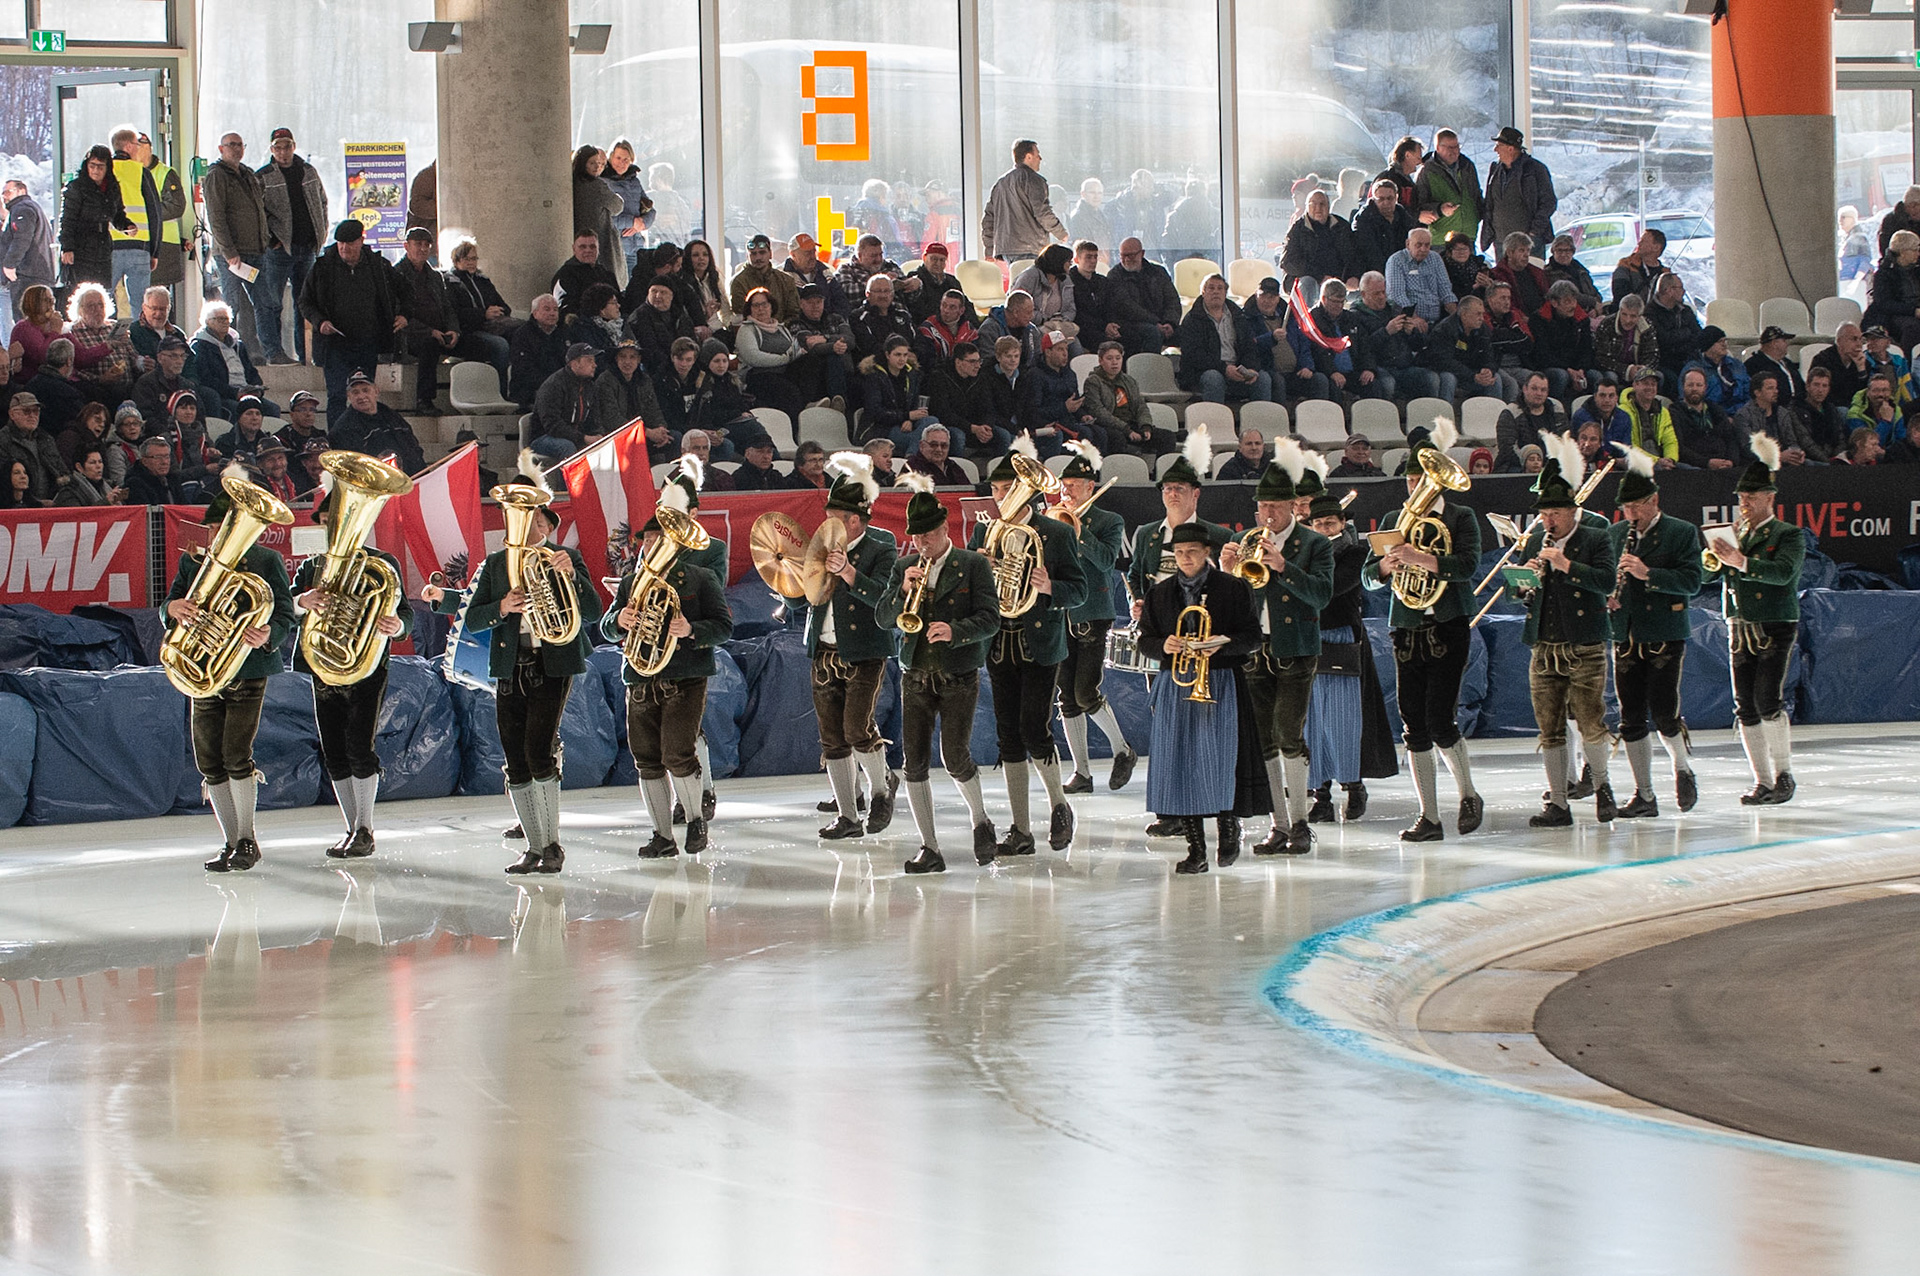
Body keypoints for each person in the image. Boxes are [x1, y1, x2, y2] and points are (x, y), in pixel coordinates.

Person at [460, 464, 604, 872]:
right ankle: (535, 845)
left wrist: (571, 577)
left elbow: (592, 612)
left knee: (539, 751)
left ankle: (551, 844)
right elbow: (472, 620)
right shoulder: (494, 564)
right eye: (524, 519)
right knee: (515, 757)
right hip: (510, 665)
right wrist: (503, 606)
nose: (530, 527)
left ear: (547, 526)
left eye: (537, 520)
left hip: (551, 662)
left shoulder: (565, 558)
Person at [163, 471, 296, 871]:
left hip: (246, 669)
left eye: (224, 525)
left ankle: (247, 839)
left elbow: (287, 613)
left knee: (237, 755)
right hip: (202, 669)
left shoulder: (267, 560)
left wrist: (268, 632)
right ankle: (230, 840)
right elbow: (170, 603)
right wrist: (173, 610)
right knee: (208, 761)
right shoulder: (193, 561)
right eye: (215, 526)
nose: (218, 533)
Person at [876, 474, 1003, 871]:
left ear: (945, 528)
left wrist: (956, 632)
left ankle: (980, 820)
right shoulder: (904, 567)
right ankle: (929, 847)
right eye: (916, 537)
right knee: (912, 763)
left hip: (958, 674)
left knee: (955, 756)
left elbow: (990, 619)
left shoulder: (972, 564)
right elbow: (882, 618)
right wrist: (901, 591)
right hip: (914, 673)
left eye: (928, 535)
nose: (921, 544)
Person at [1364, 421, 1482, 841]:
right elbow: (1367, 577)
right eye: (1412, 480)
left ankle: (1468, 793)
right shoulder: (1395, 519)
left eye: (1422, 480)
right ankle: (1428, 815)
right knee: (1412, 722)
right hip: (1408, 626)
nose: (1417, 487)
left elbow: (1467, 565)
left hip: (1448, 624)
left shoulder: (1461, 517)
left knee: (1440, 718)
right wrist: (1385, 565)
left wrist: (1425, 559)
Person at [968, 439, 1086, 855]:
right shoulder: (985, 531)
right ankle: (1020, 829)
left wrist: (1051, 586)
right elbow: (970, 591)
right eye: (997, 490)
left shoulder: (1054, 531)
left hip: (1039, 642)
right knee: (1008, 737)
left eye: (1005, 490)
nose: (998, 497)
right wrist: (979, 570)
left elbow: (1079, 590)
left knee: (1035, 727)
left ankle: (1059, 805)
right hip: (1000, 642)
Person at [1219, 443, 1334, 854]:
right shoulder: (1244, 540)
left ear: (1292, 507)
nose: (1269, 514)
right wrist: (1226, 573)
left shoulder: (1314, 544)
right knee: (1264, 740)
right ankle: (1279, 824)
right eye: (1263, 507)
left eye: (1276, 506)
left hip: (1296, 648)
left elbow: (1321, 595)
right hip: (1254, 652)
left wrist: (1283, 566)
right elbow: (1228, 603)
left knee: (1289, 734)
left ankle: (1301, 822)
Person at [608, 491, 733, 861]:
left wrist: (691, 628)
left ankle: (695, 819)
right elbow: (606, 626)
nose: (649, 545)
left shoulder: (700, 577)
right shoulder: (631, 582)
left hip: (685, 677)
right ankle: (661, 835)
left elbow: (723, 627)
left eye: (657, 538)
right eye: (646, 540)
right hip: (640, 678)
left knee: (678, 753)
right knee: (646, 759)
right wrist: (618, 621)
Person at [1138, 521, 1268, 874]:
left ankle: (1228, 828)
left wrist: (1223, 642)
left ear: (1207, 552)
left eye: (1192, 551)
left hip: (1221, 680)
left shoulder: (1233, 588)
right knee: (1180, 763)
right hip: (1177, 683)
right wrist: (1162, 645)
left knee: (1220, 760)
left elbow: (1253, 637)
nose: (1185, 559)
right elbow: (1144, 639)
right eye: (1179, 553)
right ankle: (1195, 849)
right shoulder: (1159, 593)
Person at [291, 480, 412, 857]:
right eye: (327, 521)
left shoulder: (381, 563)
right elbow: (287, 605)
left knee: (361, 745)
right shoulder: (313, 565)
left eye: (337, 520)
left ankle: (365, 828)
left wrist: (398, 625)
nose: (332, 528)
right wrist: (303, 601)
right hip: (324, 663)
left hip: (367, 664)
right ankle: (351, 827)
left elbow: (404, 612)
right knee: (333, 750)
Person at [1510, 435, 1617, 827]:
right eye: (1543, 514)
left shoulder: (1595, 537)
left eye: (1554, 513)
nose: (1548, 520)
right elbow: (1515, 590)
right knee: (1549, 727)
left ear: (1572, 511)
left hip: (1584, 643)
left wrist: (1567, 565)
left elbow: (1606, 581)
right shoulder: (1536, 539)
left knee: (1591, 721)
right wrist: (1523, 582)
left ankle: (1602, 786)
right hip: (1543, 644)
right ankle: (1558, 802)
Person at [801, 455, 902, 838]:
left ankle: (880, 792)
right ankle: (847, 815)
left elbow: (884, 598)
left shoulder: (881, 545)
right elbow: (802, 600)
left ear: (855, 520)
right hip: (823, 648)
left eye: (836, 515)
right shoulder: (821, 543)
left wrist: (847, 572)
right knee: (832, 737)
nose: (828, 522)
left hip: (864, 648)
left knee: (857, 727)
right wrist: (792, 579)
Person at [1704, 434, 1804, 805]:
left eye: (1750, 498)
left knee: (1767, 699)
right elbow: (1708, 575)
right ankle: (1762, 780)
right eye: (1741, 499)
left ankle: (1784, 774)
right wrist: (1711, 558)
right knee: (1744, 705)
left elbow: (1782, 574)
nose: (1743, 504)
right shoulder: (1737, 533)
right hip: (1739, 624)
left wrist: (1741, 562)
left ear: (1769, 498)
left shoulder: (1789, 535)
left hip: (1774, 623)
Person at [1606, 445, 1703, 819]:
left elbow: (1693, 580)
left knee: (1664, 711)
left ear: (1654, 500)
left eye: (1636, 507)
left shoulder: (1681, 532)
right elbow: (1605, 580)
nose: (1630, 515)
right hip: (1626, 631)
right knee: (1630, 715)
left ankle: (1682, 768)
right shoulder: (1616, 535)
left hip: (1664, 629)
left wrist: (1649, 575)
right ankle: (1643, 792)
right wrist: (1608, 598)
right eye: (1625, 509)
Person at [1302, 484, 1397, 823]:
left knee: (1344, 721)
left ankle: (1353, 785)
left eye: (1331, 523)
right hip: (1308, 639)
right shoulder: (1304, 554)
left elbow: (1328, 591)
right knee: (1311, 722)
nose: (1325, 529)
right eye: (1319, 524)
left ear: (1343, 524)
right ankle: (1320, 793)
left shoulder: (1355, 553)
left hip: (1342, 638)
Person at [1052, 442, 1138, 793]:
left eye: (1073, 484)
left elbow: (1107, 562)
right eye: (1064, 484)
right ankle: (1082, 773)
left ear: (1090, 487)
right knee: (1066, 697)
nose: (1067, 489)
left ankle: (1122, 749)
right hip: (1061, 611)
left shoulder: (1108, 520)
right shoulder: (1053, 517)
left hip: (1093, 611)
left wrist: (1079, 530)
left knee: (1086, 692)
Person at [395, 226, 508, 412]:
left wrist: (453, 330)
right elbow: (400, 315)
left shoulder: (435, 276)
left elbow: (448, 308)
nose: (423, 249)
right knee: (429, 345)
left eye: (426, 245)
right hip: (412, 336)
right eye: (418, 244)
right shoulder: (396, 275)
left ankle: (477, 395)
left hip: (443, 332)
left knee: (481, 346)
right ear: (406, 246)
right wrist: (430, 331)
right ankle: (424, 400)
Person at [299, 220, 397, 425]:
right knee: (336, 394)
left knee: (365, 395)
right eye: (341, 243)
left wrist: (403, 315)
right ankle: (337, 440)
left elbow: (403, 291)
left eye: (350, 243)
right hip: (334, 344)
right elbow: (305, 302)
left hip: (368, 342)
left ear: (361, 241)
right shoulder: (322, 267)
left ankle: (366, 436)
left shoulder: (377, 265)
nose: (344, 248)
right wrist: (320, 322)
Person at [256, 127, 329, 364]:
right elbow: (257, 213)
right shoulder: (264, 176)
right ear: (271, 149)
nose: (283, 152)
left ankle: (306, 354)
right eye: (278, 147)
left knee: (304, 304)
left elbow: (323, 202)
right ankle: (274, 352)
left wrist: (321, 235)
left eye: (287, 146)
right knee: (272, 303)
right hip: (278, 251)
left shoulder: (308, 171)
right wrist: (270, 240)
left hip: (307, 248)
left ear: (294, 146)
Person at [203, 134, 272, 351]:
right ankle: (226, 349)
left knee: (264, 303)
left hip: (257, 251)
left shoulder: (247, 173)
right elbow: (216, 216)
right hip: (232, 255)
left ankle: (269, 350)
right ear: (221, 148)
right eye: (231, 145)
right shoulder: (216, 175)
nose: (236, 149)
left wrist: (266, 240)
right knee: (231, 306)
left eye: (239, 145)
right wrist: (229, 250)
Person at [1176, 275, 1271, 405]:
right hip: (1202, 373)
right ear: (1203, 292)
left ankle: (1259, 423)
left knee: (1263, 378)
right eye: (1211, 288)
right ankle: (1216, 422)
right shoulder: (1192, 319)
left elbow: (1250, 347)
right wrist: (1224, 369)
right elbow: (1194, 355)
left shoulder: (1238, 317)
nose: (1216, 291)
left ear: (1225, 293)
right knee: (1213, 378)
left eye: (1220, 288)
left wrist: (1251, 368)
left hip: (1237, 370)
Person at [1081, 339, 1170, 458]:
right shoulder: (1093, 382)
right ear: (1100, 361)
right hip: (1111, 426)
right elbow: (1099, 412)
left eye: (1118, 358)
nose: (1114, 362)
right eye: (1110, 358)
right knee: (1117, 438)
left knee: (1167, 437)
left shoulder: (1129, 381)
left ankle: (1157, 472)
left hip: (1130, 423)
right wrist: (1126, 429)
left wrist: (1145, 425)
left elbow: (1140, 406)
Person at [60, 146, 132, 291]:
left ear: (107, 168)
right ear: (86, 165)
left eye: (100, 166)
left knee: (103, 291)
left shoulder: (112, 187)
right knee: (80, 292)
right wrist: (67, 247)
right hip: (81, 248)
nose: (95, 170)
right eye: (92, 165)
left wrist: (127, 226)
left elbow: (117, 214)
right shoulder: (76, 187)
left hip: (103, 248)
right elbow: (67, 220)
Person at [189, 301, 275, 421]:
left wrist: (257, 388)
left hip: (246, 391)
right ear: (208, 321)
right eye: (220, 319)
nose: (225, 323)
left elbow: (251, 371)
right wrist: (235, 392)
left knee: (272, 408)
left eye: (227, 319)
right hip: (225, 394)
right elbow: (206, 378)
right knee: (237, 409)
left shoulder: (238, 345)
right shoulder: (200, 345)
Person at [981, 139, 1065, 261]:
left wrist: (989, 249)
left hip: (1006, 249)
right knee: (1032, 279)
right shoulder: (1034, 180)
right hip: (1030, 247)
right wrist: (1061, 233)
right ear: (1028, 157)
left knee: (1017, 279)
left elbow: (989, 219)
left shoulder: (1000, 183)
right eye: (1037, 154)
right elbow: (1042, 212)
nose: (1040, 158)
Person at [733, 286, 808, 419]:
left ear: (771, 307)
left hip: (785, 371)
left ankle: (812, 404)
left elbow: (794, 349)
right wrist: (784, 359)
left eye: (764, 304)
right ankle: (794, 429)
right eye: (756, 305)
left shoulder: (781, 328)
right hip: (759, 375)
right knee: (790, 392)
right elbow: (754, 358)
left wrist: (793, 356)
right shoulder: (746, 330)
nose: (760, 309)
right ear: (750, 309)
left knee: (811, 362)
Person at [331, 371, 426, 474]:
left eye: (365, 390)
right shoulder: (344, 428)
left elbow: (415, 451)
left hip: (413, 481)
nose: (361, 396)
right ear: (348, 396)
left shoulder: (393, 417)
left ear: (376, 391)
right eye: (355, 392)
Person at [1480, 126, 1556, 253]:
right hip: (1501, 242)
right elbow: (1490, 204)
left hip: (1529, 243)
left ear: (1511, 149)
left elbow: (1549, 202)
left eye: (1499, 145)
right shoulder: (1495, 170)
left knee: (1530, 272)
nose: (1495, 149)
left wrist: (1534, 231)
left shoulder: (1535, 170)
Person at [859, 335, 937, 454]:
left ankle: (912, 456)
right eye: (897, 355)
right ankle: (911, 459)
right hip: (882, 429)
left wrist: (909, 420)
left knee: (931, 420)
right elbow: (875, 412)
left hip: (905, 424)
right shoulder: (874, 376)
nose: (902, 359)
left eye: (905, 355)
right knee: (922, 441)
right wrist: (907, 416)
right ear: (887, 355)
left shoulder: (911, 374)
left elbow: (914, 404)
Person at [1104, 236, 1181, 354]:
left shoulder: (1158, 272)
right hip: (1131, 322)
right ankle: (1149, 370)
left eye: (1131, 255)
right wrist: (1156, 323)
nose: (1127, 259)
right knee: (1153, 333)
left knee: (1191, 333)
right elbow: (1127, 307)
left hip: (1161, 321)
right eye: (1123, 256)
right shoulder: (1115, 276)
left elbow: (1172, 301)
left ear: (1142, 253)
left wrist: (1170, 323)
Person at [1734, 370, 1823, 465]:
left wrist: (1797, 452)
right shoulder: (1743, 415)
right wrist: (1778, 456)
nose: (1776, 392)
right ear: (1757, 392)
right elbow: (1748, 448)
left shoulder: (1782, 413)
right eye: (1770, 388)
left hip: (1785, 460)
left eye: (1776, 388)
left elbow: (1791, 441)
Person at [531, 342, 603, 459]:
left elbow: (595, 418)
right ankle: (568, 478)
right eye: (589, 360)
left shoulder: (591, 387)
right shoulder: (554, 385)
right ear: (575, 363)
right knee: (567, 447)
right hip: (544, 437)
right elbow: (552, 425)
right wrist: (583, 438)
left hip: (576, 435)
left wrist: (599, 435)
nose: (595, 365)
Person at [1422, 294, 1499, 403]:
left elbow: (1490, 355)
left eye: (1482, 314)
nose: (1482, 318)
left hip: (1470, 371)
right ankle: (1446, 417)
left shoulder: (1483, 329)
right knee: (1448, 379)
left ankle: (1495, 418)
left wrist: (1488, 370)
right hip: (1448, 371)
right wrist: (1472, 376)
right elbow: (1444, 361)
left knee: (1496, 379)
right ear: (1464, 315)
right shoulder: (1444, 329)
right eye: (1478, 314)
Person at [0, 180, 57, 327]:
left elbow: (22, 237)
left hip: (27, 276)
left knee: (26, 322)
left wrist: (9, 264)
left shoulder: (22, 208)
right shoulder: (27, 208)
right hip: (35, 274)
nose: (4, 196)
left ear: (21, 191)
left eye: (7, 192)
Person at [595, 337, 666, 447]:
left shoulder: (644, 380)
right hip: (616, 435)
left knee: (674, 438)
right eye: (623, 356)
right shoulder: (606, 380)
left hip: (643, 432)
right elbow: (611, 418)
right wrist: (646, 432)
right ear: (616, 359)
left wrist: (661, 428)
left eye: (632, 357)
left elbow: (653, 409)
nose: (627, 362)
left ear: (639, 360)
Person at [1415, 130, 1483, 244]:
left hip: (1467, 236)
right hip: (1441, 239)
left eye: (1456, 146)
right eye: (1449, 147)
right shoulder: (1427, 171)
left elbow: (1476, 195)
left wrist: (1477, 215)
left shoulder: (1467, 166)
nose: (1454, 151)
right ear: (1438, 147)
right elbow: (1419, 204)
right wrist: (1440, 209)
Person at [1671, 366, 1743, 470]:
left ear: (1705, 387)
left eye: (1699, 385)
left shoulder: (1716, 410)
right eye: (1690, 385)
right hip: (1696, 467)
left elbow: (1731, 439)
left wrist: (1731, 461)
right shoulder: (1675, 412)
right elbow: (1679, 447)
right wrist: (1707, 462)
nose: (1695, 389)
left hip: (1724, 465)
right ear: (1683, 387)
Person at [571, 146, 625, 284]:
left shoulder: (572, 183)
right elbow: (617, 206)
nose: (596, 167)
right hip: (601, 238)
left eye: (599, 163)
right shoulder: (597, 186)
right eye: (592, 163)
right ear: (583, 164)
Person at [446, 240, 518, 340]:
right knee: (500, 345)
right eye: (466, 259)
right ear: (456, 261)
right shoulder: (450, 283)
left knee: (525, 331)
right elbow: (454, 313)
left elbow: (505, 307)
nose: (471, 263)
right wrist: (483, 314)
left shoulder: (483, 281)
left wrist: (498, 311)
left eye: (474, 259)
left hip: (494, 324)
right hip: (469, 330)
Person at [3, 389, 67, 501]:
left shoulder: (47, 439)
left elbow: (62, 472)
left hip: (51, 505)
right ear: (12, 414)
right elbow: (4, 482)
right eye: (27, 411)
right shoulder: (3, 440)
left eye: (36, 411)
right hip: (16, 506)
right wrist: (35, 503)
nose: (32, 416)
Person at [603, 138, 654, 276]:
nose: (622, 163)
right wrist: (631, 222)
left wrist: (642, 223)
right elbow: (604, 218)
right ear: (611, 156)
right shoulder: (603, 182)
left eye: (626, 160)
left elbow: (650, 208)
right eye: (618, 158)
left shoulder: (634, 181)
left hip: (635, 247)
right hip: (614, 249)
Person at [1496, 371, 1566, 472]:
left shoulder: (1556, 409)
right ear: (1525, 389)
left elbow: (1563, 440)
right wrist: (1532, 463)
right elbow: (1507, 450)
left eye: (1543, 390)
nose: (1539, 393)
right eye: (1534, 388)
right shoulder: (1510, 412)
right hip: (1518, 466)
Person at [1384, 227, 1456, 325]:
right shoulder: (1396, 260)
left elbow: (1445, 289)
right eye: (1418, 245)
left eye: (1427, 245)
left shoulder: (1435, 258)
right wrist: (1415, 319)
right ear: (1408, 244)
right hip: (1408, 320)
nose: (1423, 249)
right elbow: (1397, 295)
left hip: (1437, 318)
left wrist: (1456, 315)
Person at [1646, 272, 1703, 391]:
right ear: (1669, 290)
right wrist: (1686, 332)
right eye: (1680, 288)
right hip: (1665, 362)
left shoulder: (1685, 310)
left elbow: (1699, 335)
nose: (1683, 291)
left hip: (1688, 358)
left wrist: (1680, 338)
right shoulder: (1650, 312)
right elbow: (1663, 340)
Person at [1351, 179, 1419, 279]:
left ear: (1396, 198)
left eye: (1390, 198)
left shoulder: (1404, 217)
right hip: (1374, 275)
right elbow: (1370, 253)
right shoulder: (1363, 220)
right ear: (1373, 199)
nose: (1386, 203)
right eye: (1381, 199)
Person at [1865, 230, 1920, 349]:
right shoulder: (1884, 275)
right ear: (1903, 252)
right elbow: (1884, 303)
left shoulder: (1916, 272)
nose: (1918, 254)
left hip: (1914, 312)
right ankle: (1911, 364)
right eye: (1915, 250)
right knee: (1913, 328)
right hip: (1892, 316)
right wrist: (1914, 311)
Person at [550, 230, 620, 322]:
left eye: (592, 247)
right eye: (582, 247)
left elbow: (619, 301)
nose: (588, 250)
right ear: (574, 249)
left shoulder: (607, 274)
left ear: (598, 249)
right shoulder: (565, 275)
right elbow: (564, 309)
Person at [728, 232, 799, 323]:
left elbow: (794, 313)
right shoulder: (738, 282)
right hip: (752, 333)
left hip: (781, 332)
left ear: (770, 254)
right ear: (747, 257)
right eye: (753, 254)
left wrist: (778, 328)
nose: (758, 257)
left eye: (762, 252)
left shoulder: (786, 281)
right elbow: (741, 314)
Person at [851, 273, 920, 365]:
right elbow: (868, 347)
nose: (883, 295)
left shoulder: (903, 315)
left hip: (909, 365)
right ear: (868, 294)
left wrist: (916, 354)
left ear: (892, 294)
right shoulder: (858, 317)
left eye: (886, 291)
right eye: (878, 291)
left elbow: (919, 341)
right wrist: (898, 356)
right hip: (876, 368)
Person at [1681, 325, 1750, 414]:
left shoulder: (1736, 365)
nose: (1724, 344)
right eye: (1719, 341)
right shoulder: (1693, 370)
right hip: (1711, 416)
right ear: (1709, 345)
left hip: (1740, 413)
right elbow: (1688, 398)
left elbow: (1749, 391)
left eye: (1725, 341)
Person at [1593, 293, 1657, 383]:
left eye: (1633, 316)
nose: (1628, 320)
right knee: (1611, 377)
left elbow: (1653, 354)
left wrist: (1642, 369)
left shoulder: (1647, 326)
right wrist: (1627, 370)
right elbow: (1600, 358)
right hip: (1613, 369)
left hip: (1638, 370)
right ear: (1620, 311)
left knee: (1657, 377)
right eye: (1624, 314)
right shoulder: (1607, 324)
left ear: (1640, 316)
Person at [1621, 365, 1680, 463]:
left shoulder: (1663, 412)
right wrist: (1657, 461)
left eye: (1653, 384)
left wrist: (1671, 459)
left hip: (1662, 463)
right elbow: (1630, 445)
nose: (1650, 387)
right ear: (1635, 385)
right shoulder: (1623, 411)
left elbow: (1670, 441)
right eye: (1645, 383)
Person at [1811, 322, 1872, 410]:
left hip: (1856, 408)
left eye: (1861, 340)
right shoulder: (1823, 360)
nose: (1859, 344)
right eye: (1854, 339)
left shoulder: (1864, 362)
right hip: (1830, 408)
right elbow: (1823, 393)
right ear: (1839, 341)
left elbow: (1866, 394)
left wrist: (1861, 369)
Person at [1490, 231, 1551, 317]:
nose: (1526, 255)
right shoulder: (1496, 275)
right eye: (1521, 250)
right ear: (1509, 253)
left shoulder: (1537, 272)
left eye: (1528, 250)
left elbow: (1548, 298)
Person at [917, 288, 980, 368]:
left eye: (952, 307)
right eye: (944, 305)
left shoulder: (970, 331)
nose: (946, 310)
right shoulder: (927, 329)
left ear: (961, 310)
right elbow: (926, 361)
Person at [781, 233, 843, 315]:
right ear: (793, 255)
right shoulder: (782, 276)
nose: (812, 256)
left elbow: (841, 302)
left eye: (813, 252)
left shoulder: (826, 272)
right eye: (807, 253)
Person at [1743, 325, 1804, 404]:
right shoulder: (1754, 364)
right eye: (1784, 341)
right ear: (1774, 343)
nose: (1787, 344)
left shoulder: (1788, 363)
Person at [1544, 233, 1603, 311]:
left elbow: (1593, 291)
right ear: (1553, 251)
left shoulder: (1580, 270)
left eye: (1567, 250)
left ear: (1573, 252)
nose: (1563, 254)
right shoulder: (1549, 273)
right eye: (1559, 250)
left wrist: (1595, 308)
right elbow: (1569, 295)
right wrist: (1593, 302)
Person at [1610, 229, 1667, 307]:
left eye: (1643, 241)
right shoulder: (1626, 265)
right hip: (1628, 315)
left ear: (1656, 247)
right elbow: (1620, 296)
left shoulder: (1665, 274)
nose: (1639, 243)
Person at [125, 434, 188, 503]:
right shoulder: (135, 484)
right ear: (144, 461)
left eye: (166, 457)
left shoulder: (173, 479)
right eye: (158, 457)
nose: (164, 462)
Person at [902, 424, 969, 485]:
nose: (939, 449)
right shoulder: (912, 468)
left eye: (944, 445)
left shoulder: (953, 466)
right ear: (922, 445)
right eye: (933, 445)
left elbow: (969, 492)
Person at [252, 437, 299, 504]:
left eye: (280, 458)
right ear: (260, 465)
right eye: (270, 460)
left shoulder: (298, 483)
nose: (277, 464)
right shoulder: (257, 488)